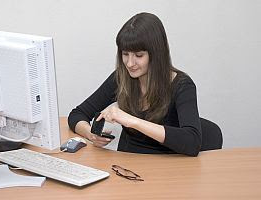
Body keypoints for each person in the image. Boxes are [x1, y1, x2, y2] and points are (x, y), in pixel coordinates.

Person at [68, 12, 202, 156]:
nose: (130, 64)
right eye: (125, 54)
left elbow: (192, 142)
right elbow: (77, 114)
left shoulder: (182, 86)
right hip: (127, 167)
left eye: (139, 55)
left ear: (156, 54)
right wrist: (91, 135)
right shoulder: (121, 78)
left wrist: (132, 121)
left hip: (168, 168)